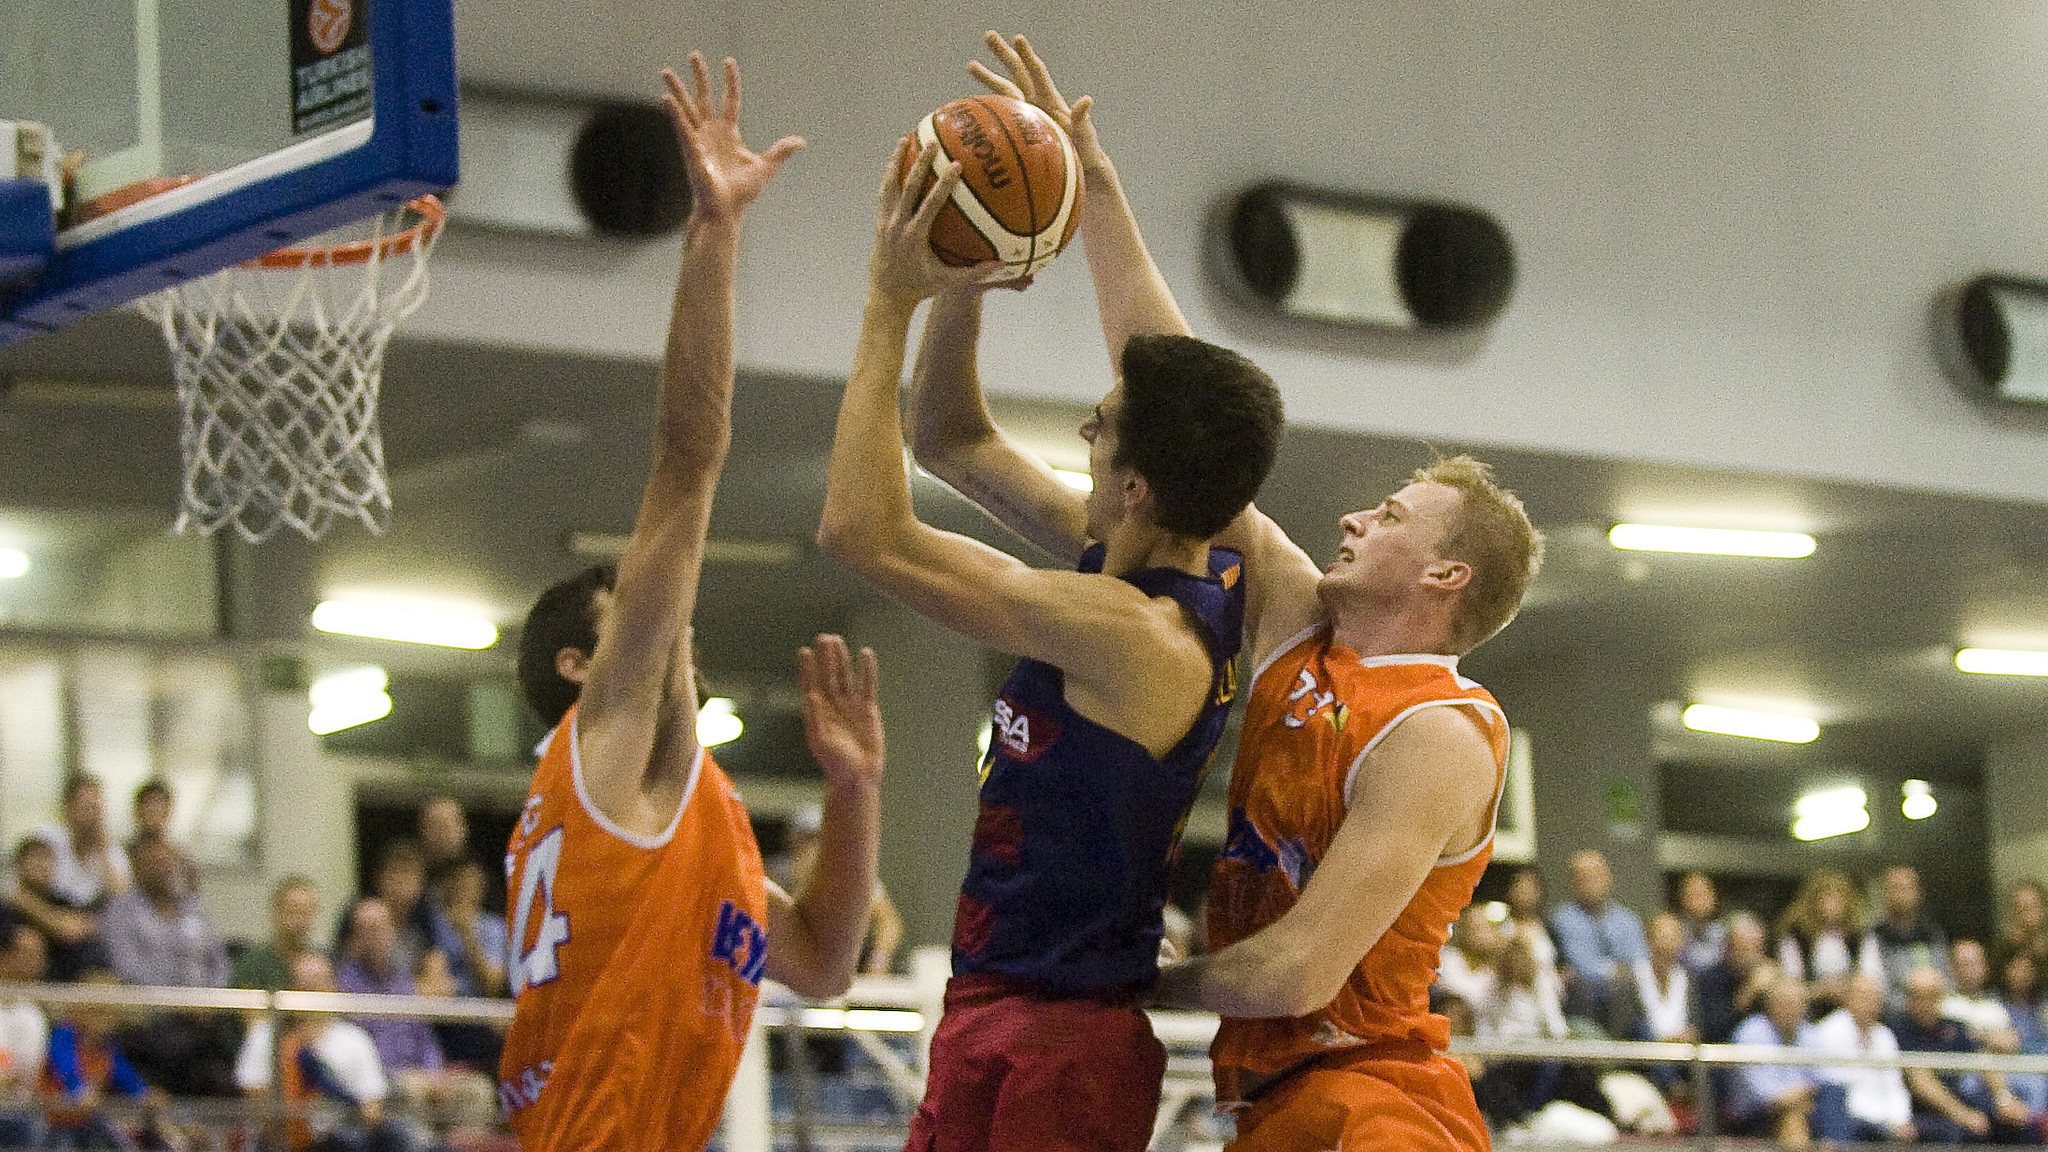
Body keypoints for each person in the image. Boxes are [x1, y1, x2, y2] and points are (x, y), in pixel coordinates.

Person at [825, 34, 1279, 1152]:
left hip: (1060, 1044)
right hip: (1003, 1014)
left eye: (1102, 421)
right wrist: (962, 277)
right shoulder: (1122, 556)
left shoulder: (1132, 634)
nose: (1081, 425)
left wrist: (888, 303)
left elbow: (861, 530)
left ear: (1132, 484)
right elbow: (948, 437)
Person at [497, 55, 884, 1152]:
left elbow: (820, 963)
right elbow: (686, 458)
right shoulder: (613, 732)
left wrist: (853, 793)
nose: (673, 612)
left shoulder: (670, 818)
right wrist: (713, 240)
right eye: (634, 602)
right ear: (582, 660)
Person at [236, 952, 430, 1152]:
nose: (310, 996)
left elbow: (372, 1109)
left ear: (333, 988)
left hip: (342, 1139)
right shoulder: (265, 1036)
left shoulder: (355, 1039)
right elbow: (255, 1100)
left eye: (317, 986)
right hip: (282, 1140)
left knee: (398, 1135)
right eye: (303, 987)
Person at [100, 832, 236, 1097]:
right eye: (153, 863)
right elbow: (128, 969)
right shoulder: (121, 910)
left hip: (204, 1018)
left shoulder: (195, 908)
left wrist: (211, 1000)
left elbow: (219, 962)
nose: (162, 870)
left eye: (167, 862)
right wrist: (180, 1001)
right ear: (137, 868)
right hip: (154, 1020)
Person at [1891, 965, 2040, 1144]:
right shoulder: (1898, 1030)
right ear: (1908, 999)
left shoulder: (1955, 1028)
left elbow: (1981, 1060)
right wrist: (1962, 1115)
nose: (1925, 1002)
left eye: (1931, 995)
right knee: (1957, 1133)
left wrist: (2004, 1099)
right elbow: (1919, 1080)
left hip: (1963, 1099)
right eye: (1918, 996)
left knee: (2022, 1126)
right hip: (1924, 1111)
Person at [1804, 971, 1916, 1143]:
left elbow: (1894, 1086)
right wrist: (1884, 1121)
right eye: (1864, 996)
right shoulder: (1830, 1031)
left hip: (1887, 1119)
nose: (1870, 1003)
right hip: (1850, 1115)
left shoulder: (1885, 1035)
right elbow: (1841, 1089)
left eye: (1874, 997)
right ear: (1848, 998)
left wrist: (1901, 1119)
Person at [1725, 977, 1830, 1149]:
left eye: (1797, 1004)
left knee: (1833, 1109)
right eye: (1785, 1003)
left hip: (1806, 1108)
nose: (1792, 1010)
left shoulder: (1809, 1033)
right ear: (1770, 1006)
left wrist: (1803, 1095)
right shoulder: (1751, 1032)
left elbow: (1822, 1081)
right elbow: (1768, 1097)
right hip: (1754, 1115)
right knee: (1791, 1117)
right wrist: (1802, 1094)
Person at [1548, 849, 1649, 1017]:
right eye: (1585, 878)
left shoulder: (1628, 920)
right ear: (1572, 883)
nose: (1592, 883)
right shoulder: (1562, 919)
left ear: (1609, 879)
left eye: (1598, 876)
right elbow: (1581, 965)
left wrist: (1617, 970)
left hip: (1628, 999)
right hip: (1584, 1001)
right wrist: (1614, 969)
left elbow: (1639, 964)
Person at [6, 835, 104, 981]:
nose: (41, 864)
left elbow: (73, 930)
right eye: (35, 857)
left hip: (65, 985)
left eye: (47, 858)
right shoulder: (6, 909)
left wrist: (26, 901)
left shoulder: (63, 901)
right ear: (20, 864)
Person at [1775, 867, 1868, 1015]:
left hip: (1849, 1012)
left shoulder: (1858, 936)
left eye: (1838, 899)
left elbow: (1869, 978)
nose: (1832, 905)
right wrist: (1821, 990)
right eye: (1826, 898)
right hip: (1806, 1013)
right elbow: (1790, 984)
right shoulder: (1796, 936)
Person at [33, 775, 130, 909]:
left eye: (97, 809)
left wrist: (103, 853)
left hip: (96, 920)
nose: (93, 817)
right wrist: (56, 920)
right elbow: (19, 892)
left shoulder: (112, 852)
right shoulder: (46, 841)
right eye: (86, 808)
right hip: (49, 914)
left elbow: (123, 898)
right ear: (68, 810)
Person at [1864, 863, 1950, 1010]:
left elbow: (1946, 979)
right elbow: (1874, 987)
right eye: (1895, 888)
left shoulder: (1932, 933)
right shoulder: (1874, 936)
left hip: (1935, 1012)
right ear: (1885, 894)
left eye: (1906, 888)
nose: (1901, 895)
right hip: (1895, 1015)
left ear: (1918, 893)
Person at [0, 923, 49, 1150]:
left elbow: (27, 1074)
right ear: (4, 957)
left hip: (17, 1112)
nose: (37, 962)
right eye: (28, 954)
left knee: (34, 1125)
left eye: (39, 955)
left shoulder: (34, 1015)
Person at [1697, 911, 1774, 1044]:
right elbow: (1713, 1030)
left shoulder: (1770, 975)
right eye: (1744, 949)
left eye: (1757, 948)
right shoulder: (1709, 979)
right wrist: (1749, 991)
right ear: (1728, 949)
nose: (1752, 956)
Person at [233, 875, 321, 992]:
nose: (299, 921)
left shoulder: (324, 963)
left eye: (305, 913)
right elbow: (245, 1007)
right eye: (292, 912)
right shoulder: (253, 965)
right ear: (276, 914)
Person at [125, 778, 197, 897]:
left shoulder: (182, 859)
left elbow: (189, 897)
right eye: (148, 806)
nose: (153, 812)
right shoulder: (124, 855)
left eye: (159, 806)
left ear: (168, 811)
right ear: (137, 812)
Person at [1673, 870, 1726, 975]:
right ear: (1682, 899)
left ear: (1713, 898)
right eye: (1693, 895)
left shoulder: (1724, 933)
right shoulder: (1675, 932)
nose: (1699, 901)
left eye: (1704, 894)